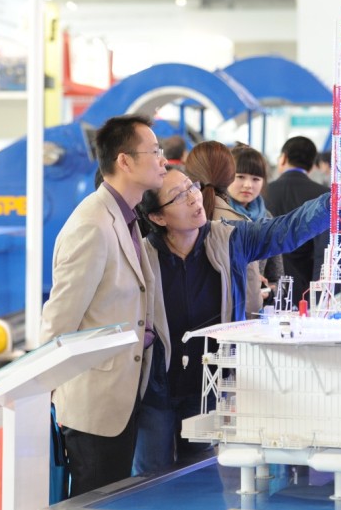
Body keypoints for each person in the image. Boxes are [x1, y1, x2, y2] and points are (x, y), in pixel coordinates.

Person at [133, 167, 330, 473]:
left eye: (191, 187)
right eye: (179, 196)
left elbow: (286, 230)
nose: (194, 198)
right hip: (157, 389)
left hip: (207, 387)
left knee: (201, 474)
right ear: (158, 217)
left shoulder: (230, 239)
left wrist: (334, 202)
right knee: (150, 476)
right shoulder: (140, 257)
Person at [40, 114, 167, 496]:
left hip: (120, 398)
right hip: (93, 407)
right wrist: (47, 392)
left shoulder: (125, 218)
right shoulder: (92, 225)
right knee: (94, 499)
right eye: (155, 151)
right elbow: (59, 320)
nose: (163, 160)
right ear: (124, 161)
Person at [184, 140, 263, 318]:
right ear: (230, 177)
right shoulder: (240, 225)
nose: (248, 185)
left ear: (188, 174)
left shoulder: (170, 217)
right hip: (226, 328)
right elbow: (251, 301)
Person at [264, 136, 330, 304]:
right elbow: (323, 250)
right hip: (307, 287)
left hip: (268, 287)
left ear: (283, 158)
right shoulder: (324, 197)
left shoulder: (263, 193)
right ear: (312, 165)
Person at [227, 144, 284, 306]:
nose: (248, 185)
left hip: (255, 309)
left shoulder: (266, 218)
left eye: (256, 179)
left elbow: (278, 278)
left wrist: (268, 293)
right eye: (240, 177)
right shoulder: (214, 214)